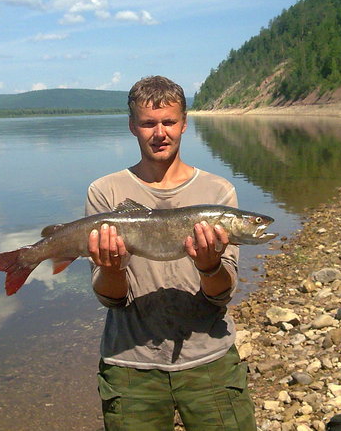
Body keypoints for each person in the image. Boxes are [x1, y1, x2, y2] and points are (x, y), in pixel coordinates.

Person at [85, 75, 256, 430]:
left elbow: (222, 294)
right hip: (130, 365)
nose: (159, 132)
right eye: (148, 123)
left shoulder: (218, 191)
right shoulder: (104, 192)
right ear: (132, 126)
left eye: (169, 122)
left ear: (184, 123)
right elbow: (110, 299)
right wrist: (113, 269)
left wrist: (209, 267)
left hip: (210, 361)